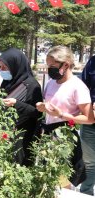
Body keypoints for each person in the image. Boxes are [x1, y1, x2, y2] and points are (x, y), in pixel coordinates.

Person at [36, 46, 94, 187]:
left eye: (52, 65)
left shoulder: (77, 87)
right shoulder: (51, 83)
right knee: (45, 177)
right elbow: (52, 107)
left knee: (61, 181)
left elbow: (90, 118)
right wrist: (43, 107)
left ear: (66, 64)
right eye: (48, 65)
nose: (49, 69)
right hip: (48, 134)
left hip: (64, 137)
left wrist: (62, 114)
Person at [0, 48, 43, 166]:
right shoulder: (7, 82)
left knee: (19, 169)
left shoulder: (32, 85)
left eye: (4, 67)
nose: (1, 71)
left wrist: (16, 103)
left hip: (23, 138)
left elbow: (37, 113)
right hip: (6, 134)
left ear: (15, 66)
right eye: (0, 67)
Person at [80, 55, 95, 195]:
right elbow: (82, 87)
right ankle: (86, 193)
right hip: (91, 120)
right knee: (89, 162)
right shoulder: (93, 61)